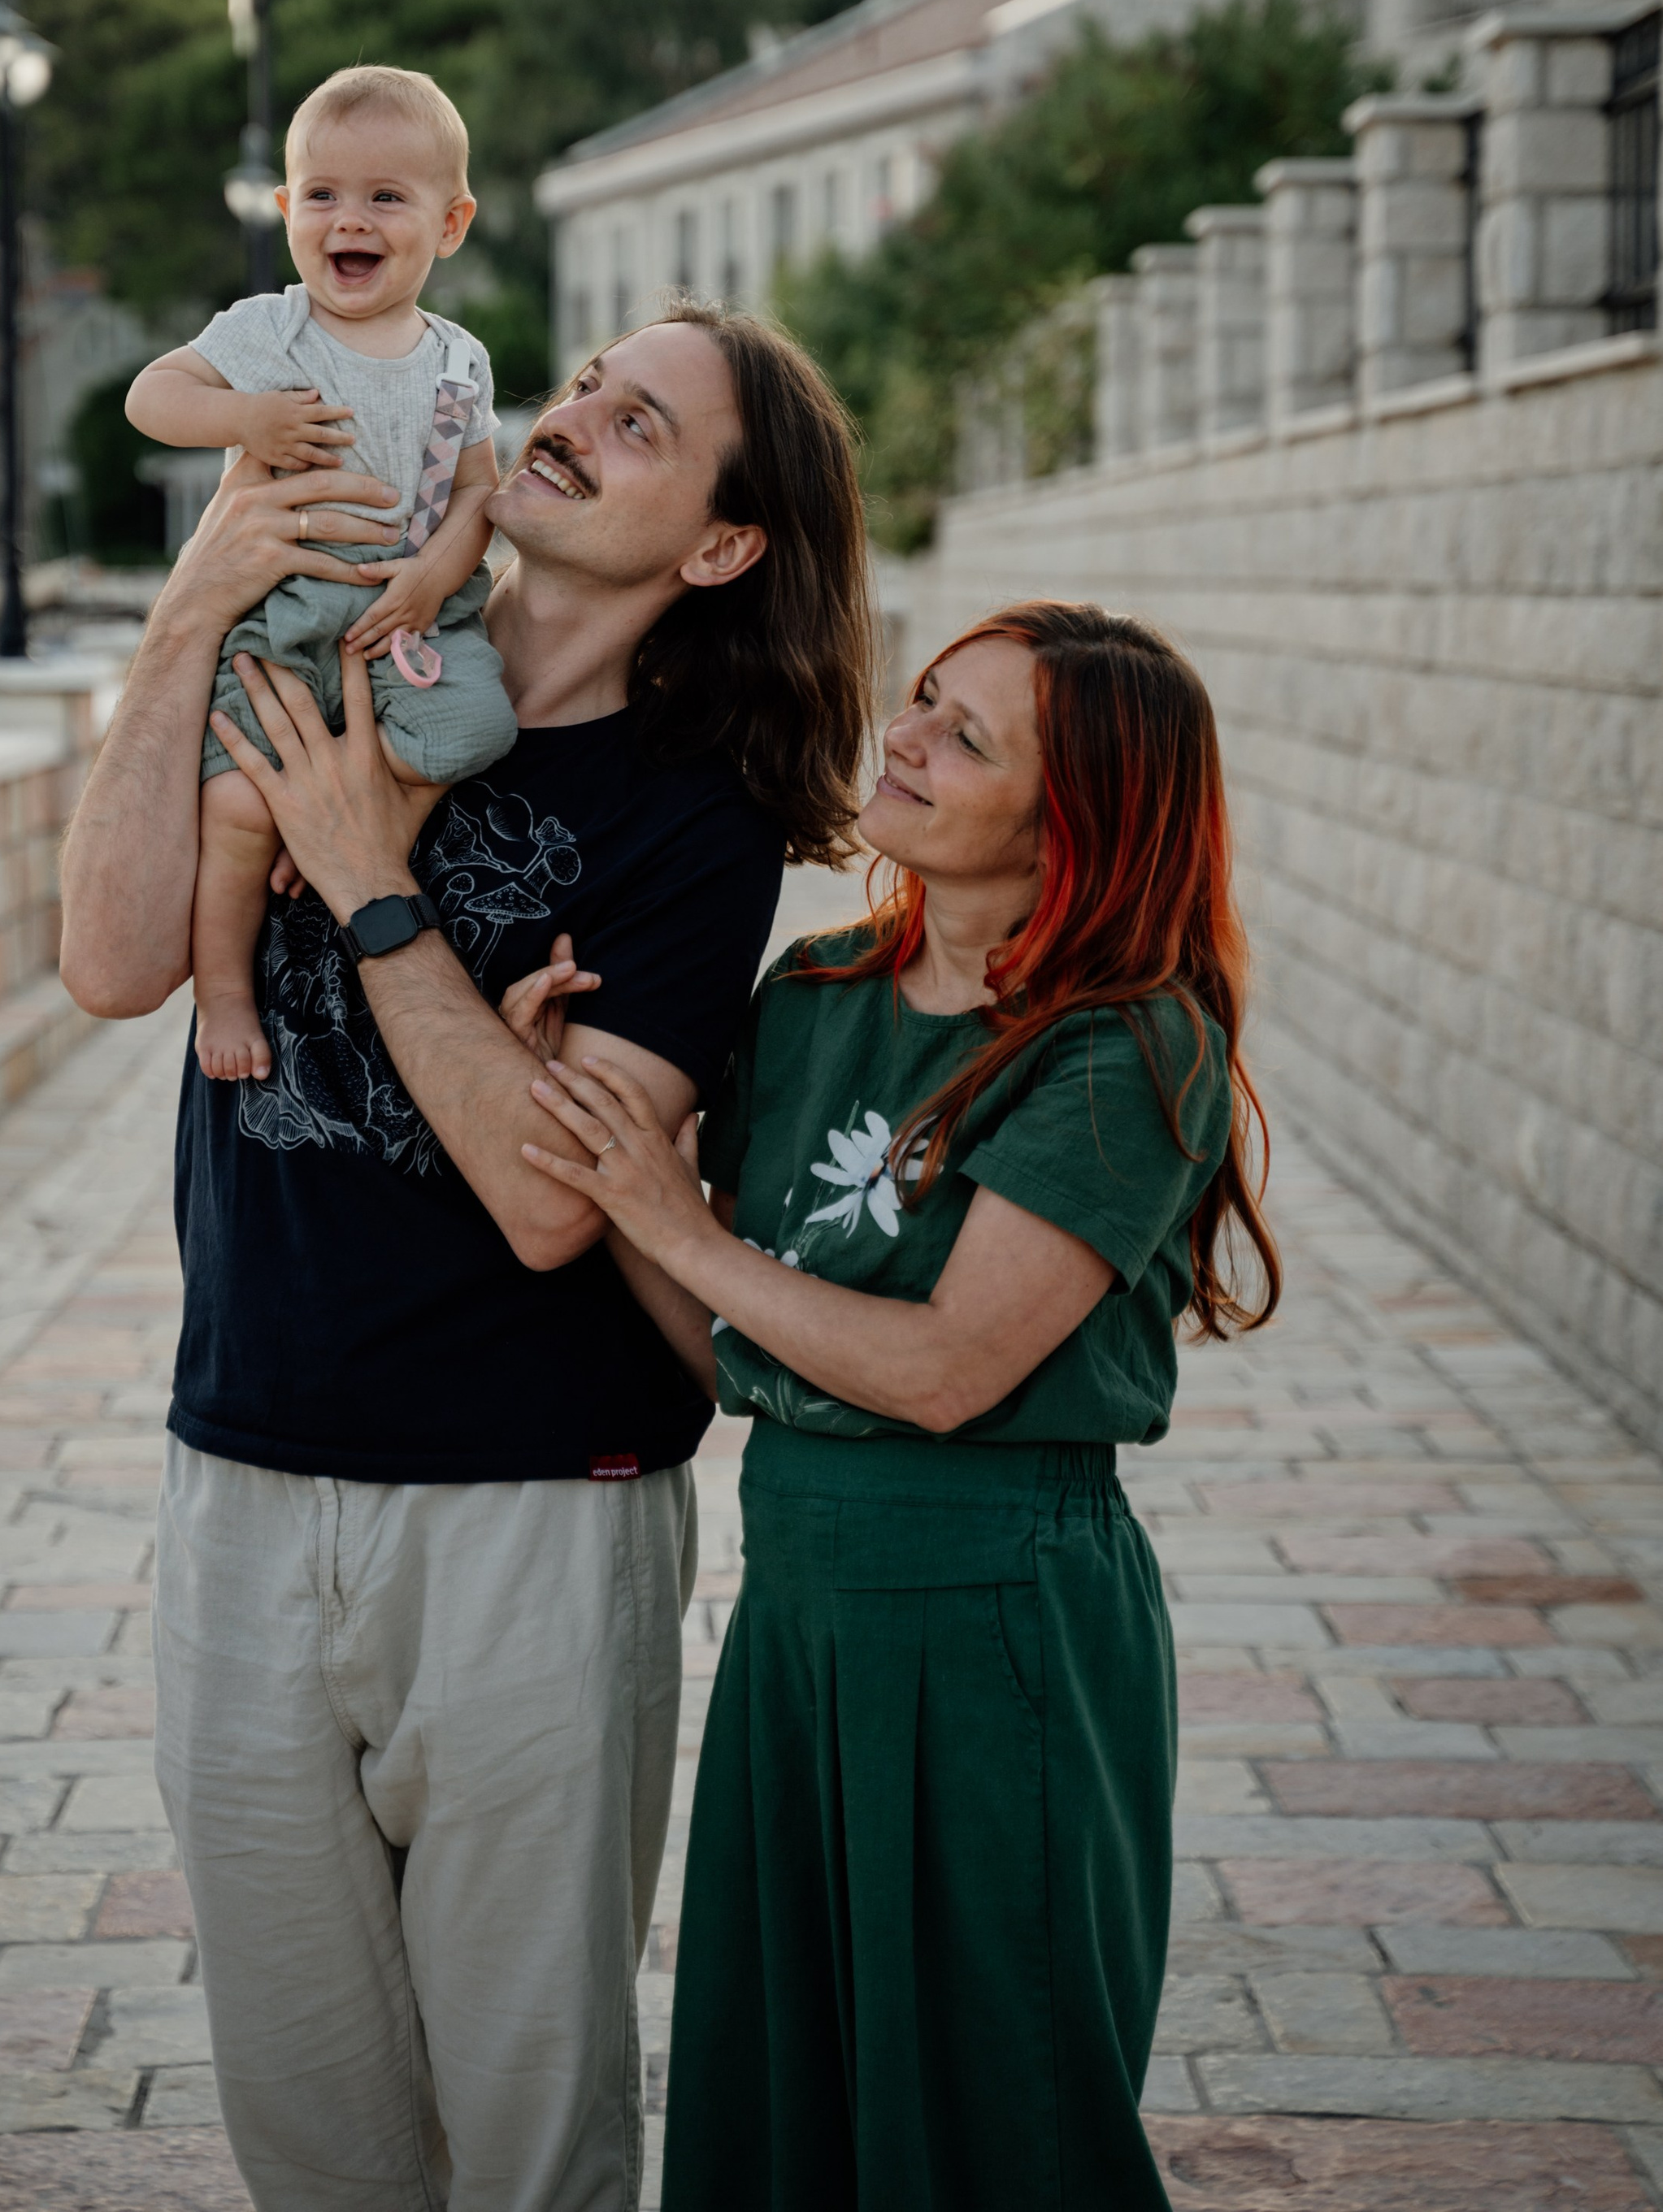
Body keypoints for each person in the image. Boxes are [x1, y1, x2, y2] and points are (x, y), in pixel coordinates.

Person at [57, 302, 876, 2212]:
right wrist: (189, 612)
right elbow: (110, 962)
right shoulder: (334, 647)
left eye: (642, 422)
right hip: (240, 1463)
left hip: (532, 1505)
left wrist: (365, 882)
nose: (572, 412)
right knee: (307, 2111)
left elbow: (544, 1203)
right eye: (586, 377)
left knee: (528, 2118)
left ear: (718, 546)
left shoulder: (694, 815)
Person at [515, 601, 1282, 2212]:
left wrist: (670, 1218)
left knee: (992, 2106)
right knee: (780, 2090)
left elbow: (942, 1369)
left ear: (1070, 820)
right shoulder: (809, 996)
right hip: (797, 1613)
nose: (905, 742)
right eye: (921, 702)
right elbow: (732, 1338)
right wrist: (587, 1130)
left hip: (996, 1614)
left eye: (964, 736)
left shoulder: (1119, 1051)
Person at [124, 63, 518, 1084]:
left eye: (388, 197)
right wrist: (242, 418)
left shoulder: (457, 360)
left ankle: (355, 817)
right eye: (323, 195)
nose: (352, 218)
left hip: (407, 605)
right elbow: (152, 396)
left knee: (477, 729)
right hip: (283, 607)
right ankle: (223, 991)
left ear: (451, 223)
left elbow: (482, 491)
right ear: (286, 210)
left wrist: (437, 576)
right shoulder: (270, 330)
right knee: (238, 808)